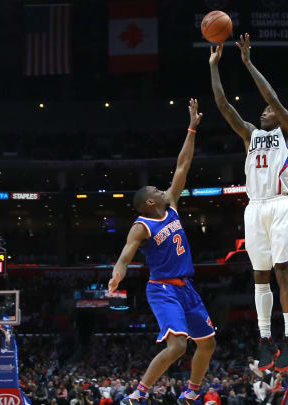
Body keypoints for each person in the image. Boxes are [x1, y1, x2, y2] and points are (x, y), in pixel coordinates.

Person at [109, 99, 216, 405]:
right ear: (150, 203)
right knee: (179, 346)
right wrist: (117, 275)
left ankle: (191, 391)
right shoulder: (141, 226)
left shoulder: (170, 205)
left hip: (187, 288)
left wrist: (192, 128)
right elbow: (126, 253)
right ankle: (139, 393)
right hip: (163, 289)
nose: (162, 190)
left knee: (208, 344)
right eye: (156, 191)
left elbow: (183, 165)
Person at [209, 34, 288, 373]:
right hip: (254, 208)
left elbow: (272, 97)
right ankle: (266, 340)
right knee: (259, 276)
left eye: (268, 110)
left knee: (282, 270)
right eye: (262, 110)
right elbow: (223, 106)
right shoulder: (250, 134)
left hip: (280, 205)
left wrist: (248, 64)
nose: (264, 111)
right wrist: (215, 67)